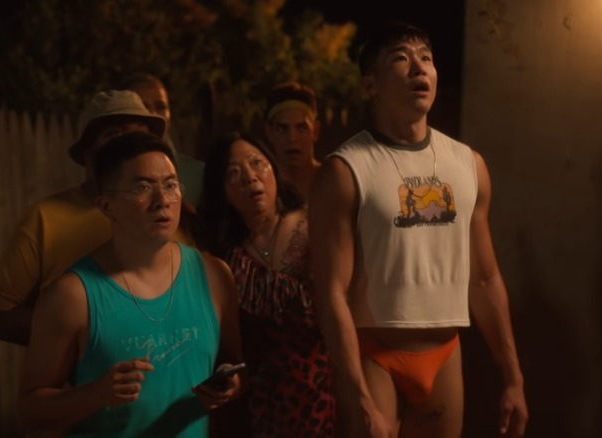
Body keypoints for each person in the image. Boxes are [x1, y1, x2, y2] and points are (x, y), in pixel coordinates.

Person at [309, 23, 528, 437]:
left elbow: (484, 279)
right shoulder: (346, 170)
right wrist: (355, 392)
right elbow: (331, 291)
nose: (418, 68)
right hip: (375, 355)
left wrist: (513, 377)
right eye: (400, 58)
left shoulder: (468, 165)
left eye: (426, 58)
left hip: (443, 354)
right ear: (370, 84)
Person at [17, 132, 244, 437]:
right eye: (142, 188)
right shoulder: (73, 295)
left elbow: (234, 366)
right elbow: (30, 410)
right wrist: (94, 394)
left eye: (170, 185)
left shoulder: (214, 275)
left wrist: (229, 385)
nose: (162, 201)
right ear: (106, 206)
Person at [0, 89, 181, 346]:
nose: (130, 145)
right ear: (86, 151)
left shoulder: (171, 212)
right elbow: (2, 318)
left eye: (140, 135)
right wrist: (89, 333)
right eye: (114, 134)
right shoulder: (46, 219)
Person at [197, 132, 335, 437]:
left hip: (325, 395)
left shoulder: (315, 227)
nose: (250, 177)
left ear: (273, 167)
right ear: (222, 191)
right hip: (259, 409)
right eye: (234, 173)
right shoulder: (223, 258)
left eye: (257, 163)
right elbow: (230, 348)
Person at [121, 72, 205, 208]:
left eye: (160, 107)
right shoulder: (113, 175)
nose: (153, 114)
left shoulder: (198, 175)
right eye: (143, 107)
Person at [264, 81, 322, 200]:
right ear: (269, 133)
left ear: (315, 131)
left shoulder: (335, 182)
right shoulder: (263, 190)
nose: (292, 138)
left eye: (301, 128)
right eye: (282, 128)